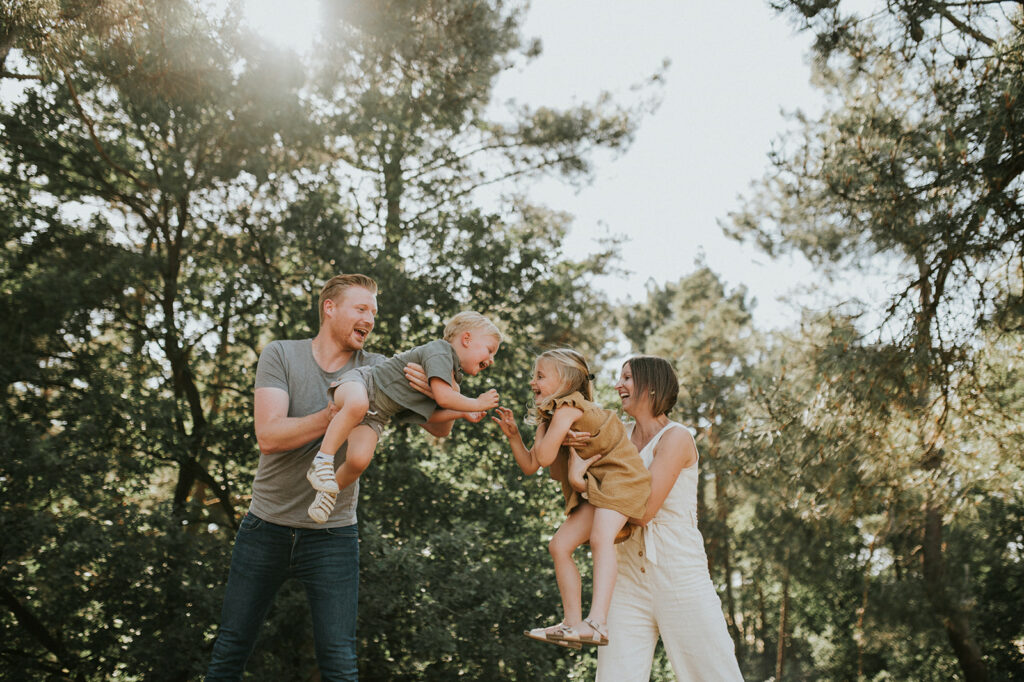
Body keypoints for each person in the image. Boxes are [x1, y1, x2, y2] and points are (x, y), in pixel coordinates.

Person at [205, 273, 461, 681]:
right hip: (265, 527)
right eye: (361, 309)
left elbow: (440, 429)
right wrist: (340, 412)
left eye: (374, 313)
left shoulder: (378, 369)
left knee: (339, 660)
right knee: (231, 648)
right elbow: (269, 437)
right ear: (330, 308)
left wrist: (438, 385)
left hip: (333, 534)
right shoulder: (282, 355)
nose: (371, 320)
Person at [572, 355, 743, 681]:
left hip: (678, 575)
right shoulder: (616, 436)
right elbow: (582, 492)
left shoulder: (677, 438)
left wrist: (586, 483)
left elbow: (644, 510)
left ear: (651, 387)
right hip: (624, 581)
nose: (618, 385)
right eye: (618, 378)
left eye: (627, 378)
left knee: (714, 675)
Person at [492, 348, 651, 649]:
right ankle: (572, 623)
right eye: (533, 376)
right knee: (559, 546)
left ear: (565, 381)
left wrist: (543, 426)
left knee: (600, 539)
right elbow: (530, 465)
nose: (532, 382)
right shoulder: (554, 417)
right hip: (597, 486)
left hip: (621, 479)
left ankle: (598, 624)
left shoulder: (567, 409)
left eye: (540, 376)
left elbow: (545, 454)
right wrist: (515, 435)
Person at [305, 311, 501, 522]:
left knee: (359, 460)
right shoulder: (440, 351)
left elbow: (434, 419)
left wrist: (463, 411)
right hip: (362, 384)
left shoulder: (451, 377)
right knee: (357, 403)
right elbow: (444, 398)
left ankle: (327, 495)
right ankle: (322, 461)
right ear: (467, 339)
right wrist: (476, 403)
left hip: (376, 415)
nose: (491, 360)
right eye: (490, 350)